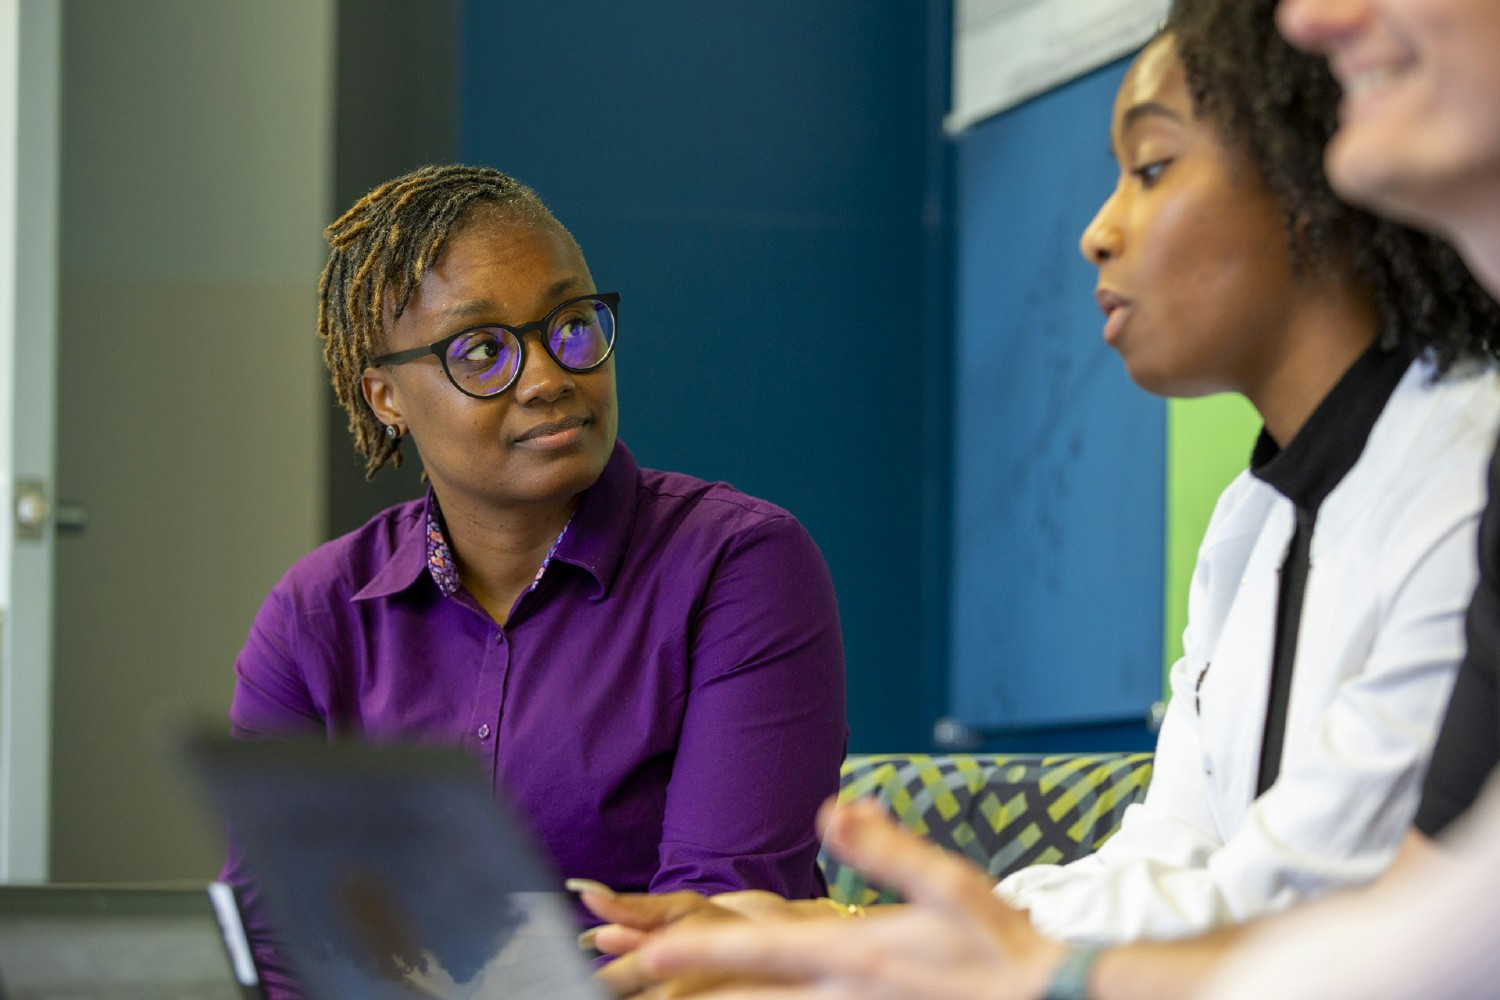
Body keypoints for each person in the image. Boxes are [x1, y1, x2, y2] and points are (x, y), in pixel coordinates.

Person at [578, 0, 1500, 995]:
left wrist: (872, 947)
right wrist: (841, 932)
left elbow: (1314, 893)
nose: (1097, 233)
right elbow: (1175, 850)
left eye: (1151, 168)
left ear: (1309, 172)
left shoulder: (1460, 466)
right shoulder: (1251, 516)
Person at [221, 164, 848, 999]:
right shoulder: (316, 616)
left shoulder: (740, 566)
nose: (551, 375)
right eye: (482, 350)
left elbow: (710, 935)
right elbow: (276, 946)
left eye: (572, 325)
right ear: (385, 397)